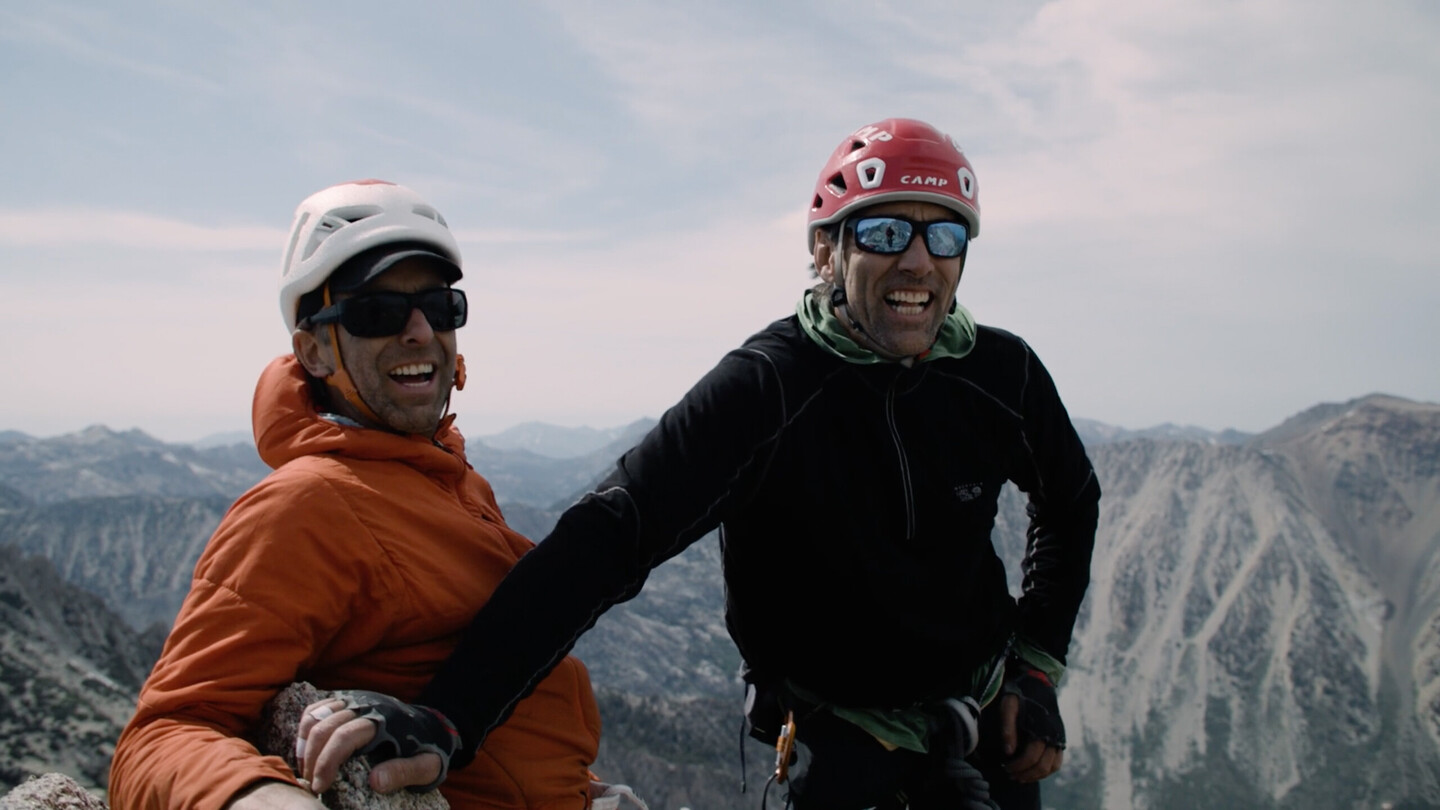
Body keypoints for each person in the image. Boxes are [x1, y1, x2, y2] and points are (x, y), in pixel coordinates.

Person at [300, 119, 1101, 810]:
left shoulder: (1002, 376)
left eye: (946, 234)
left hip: (987, 717)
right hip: (839, 739)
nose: (920, 262)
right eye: (887, 231)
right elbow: (613, 534)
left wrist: (1035, 669)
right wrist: (450, 717)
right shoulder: (769, 388)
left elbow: (1071, 501)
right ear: (828, 248)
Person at [108, 180, 604, 810]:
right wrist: (257, 798)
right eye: (377, 313)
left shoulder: (443, 473)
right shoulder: (308, 505)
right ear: (313, 350)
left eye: (440, 305)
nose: (422, 331)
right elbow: (161, 735)